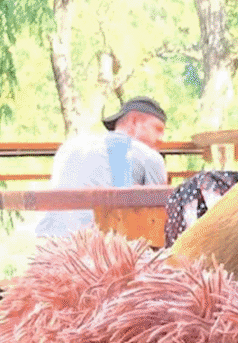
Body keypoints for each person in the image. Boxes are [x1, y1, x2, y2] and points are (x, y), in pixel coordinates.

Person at [35, 97, 168, 238]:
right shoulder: (149, 156)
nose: (162, 139)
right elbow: (158, 222)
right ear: (134, 121)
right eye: (158, 129)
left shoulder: (68, 146)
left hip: (50, 244)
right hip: (102, 249)